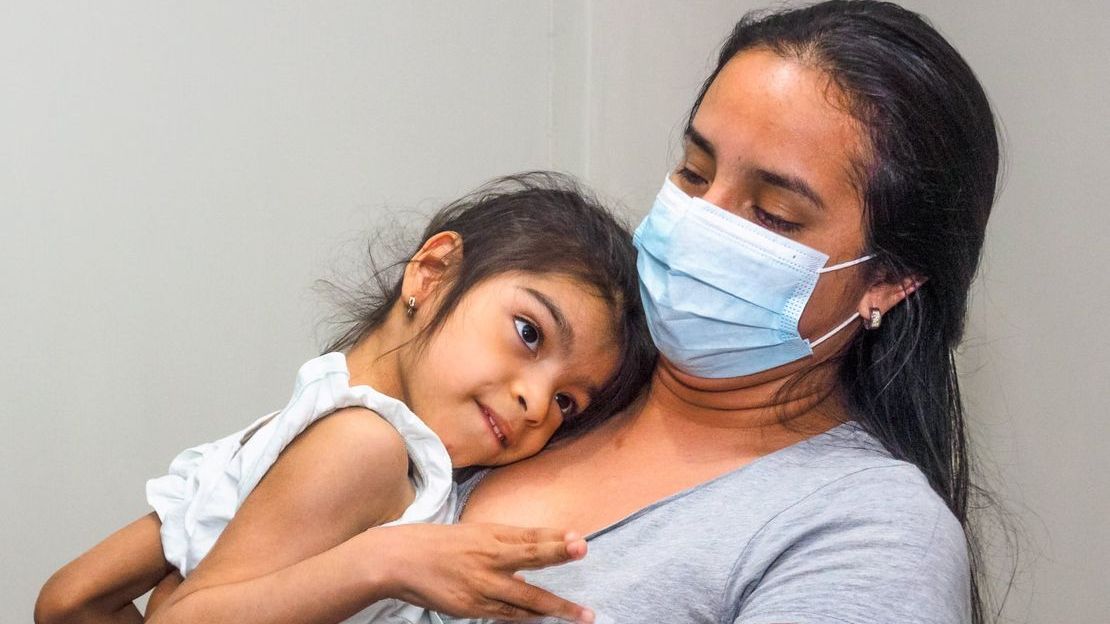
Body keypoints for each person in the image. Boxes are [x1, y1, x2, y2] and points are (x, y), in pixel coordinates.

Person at [33, 173, 656, 624]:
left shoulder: (282, 428)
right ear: (433, 273)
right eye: (528, 333)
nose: (536, 403)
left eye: (569, 403)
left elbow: (69, 599)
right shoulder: (368, 447)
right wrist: (382, 561)